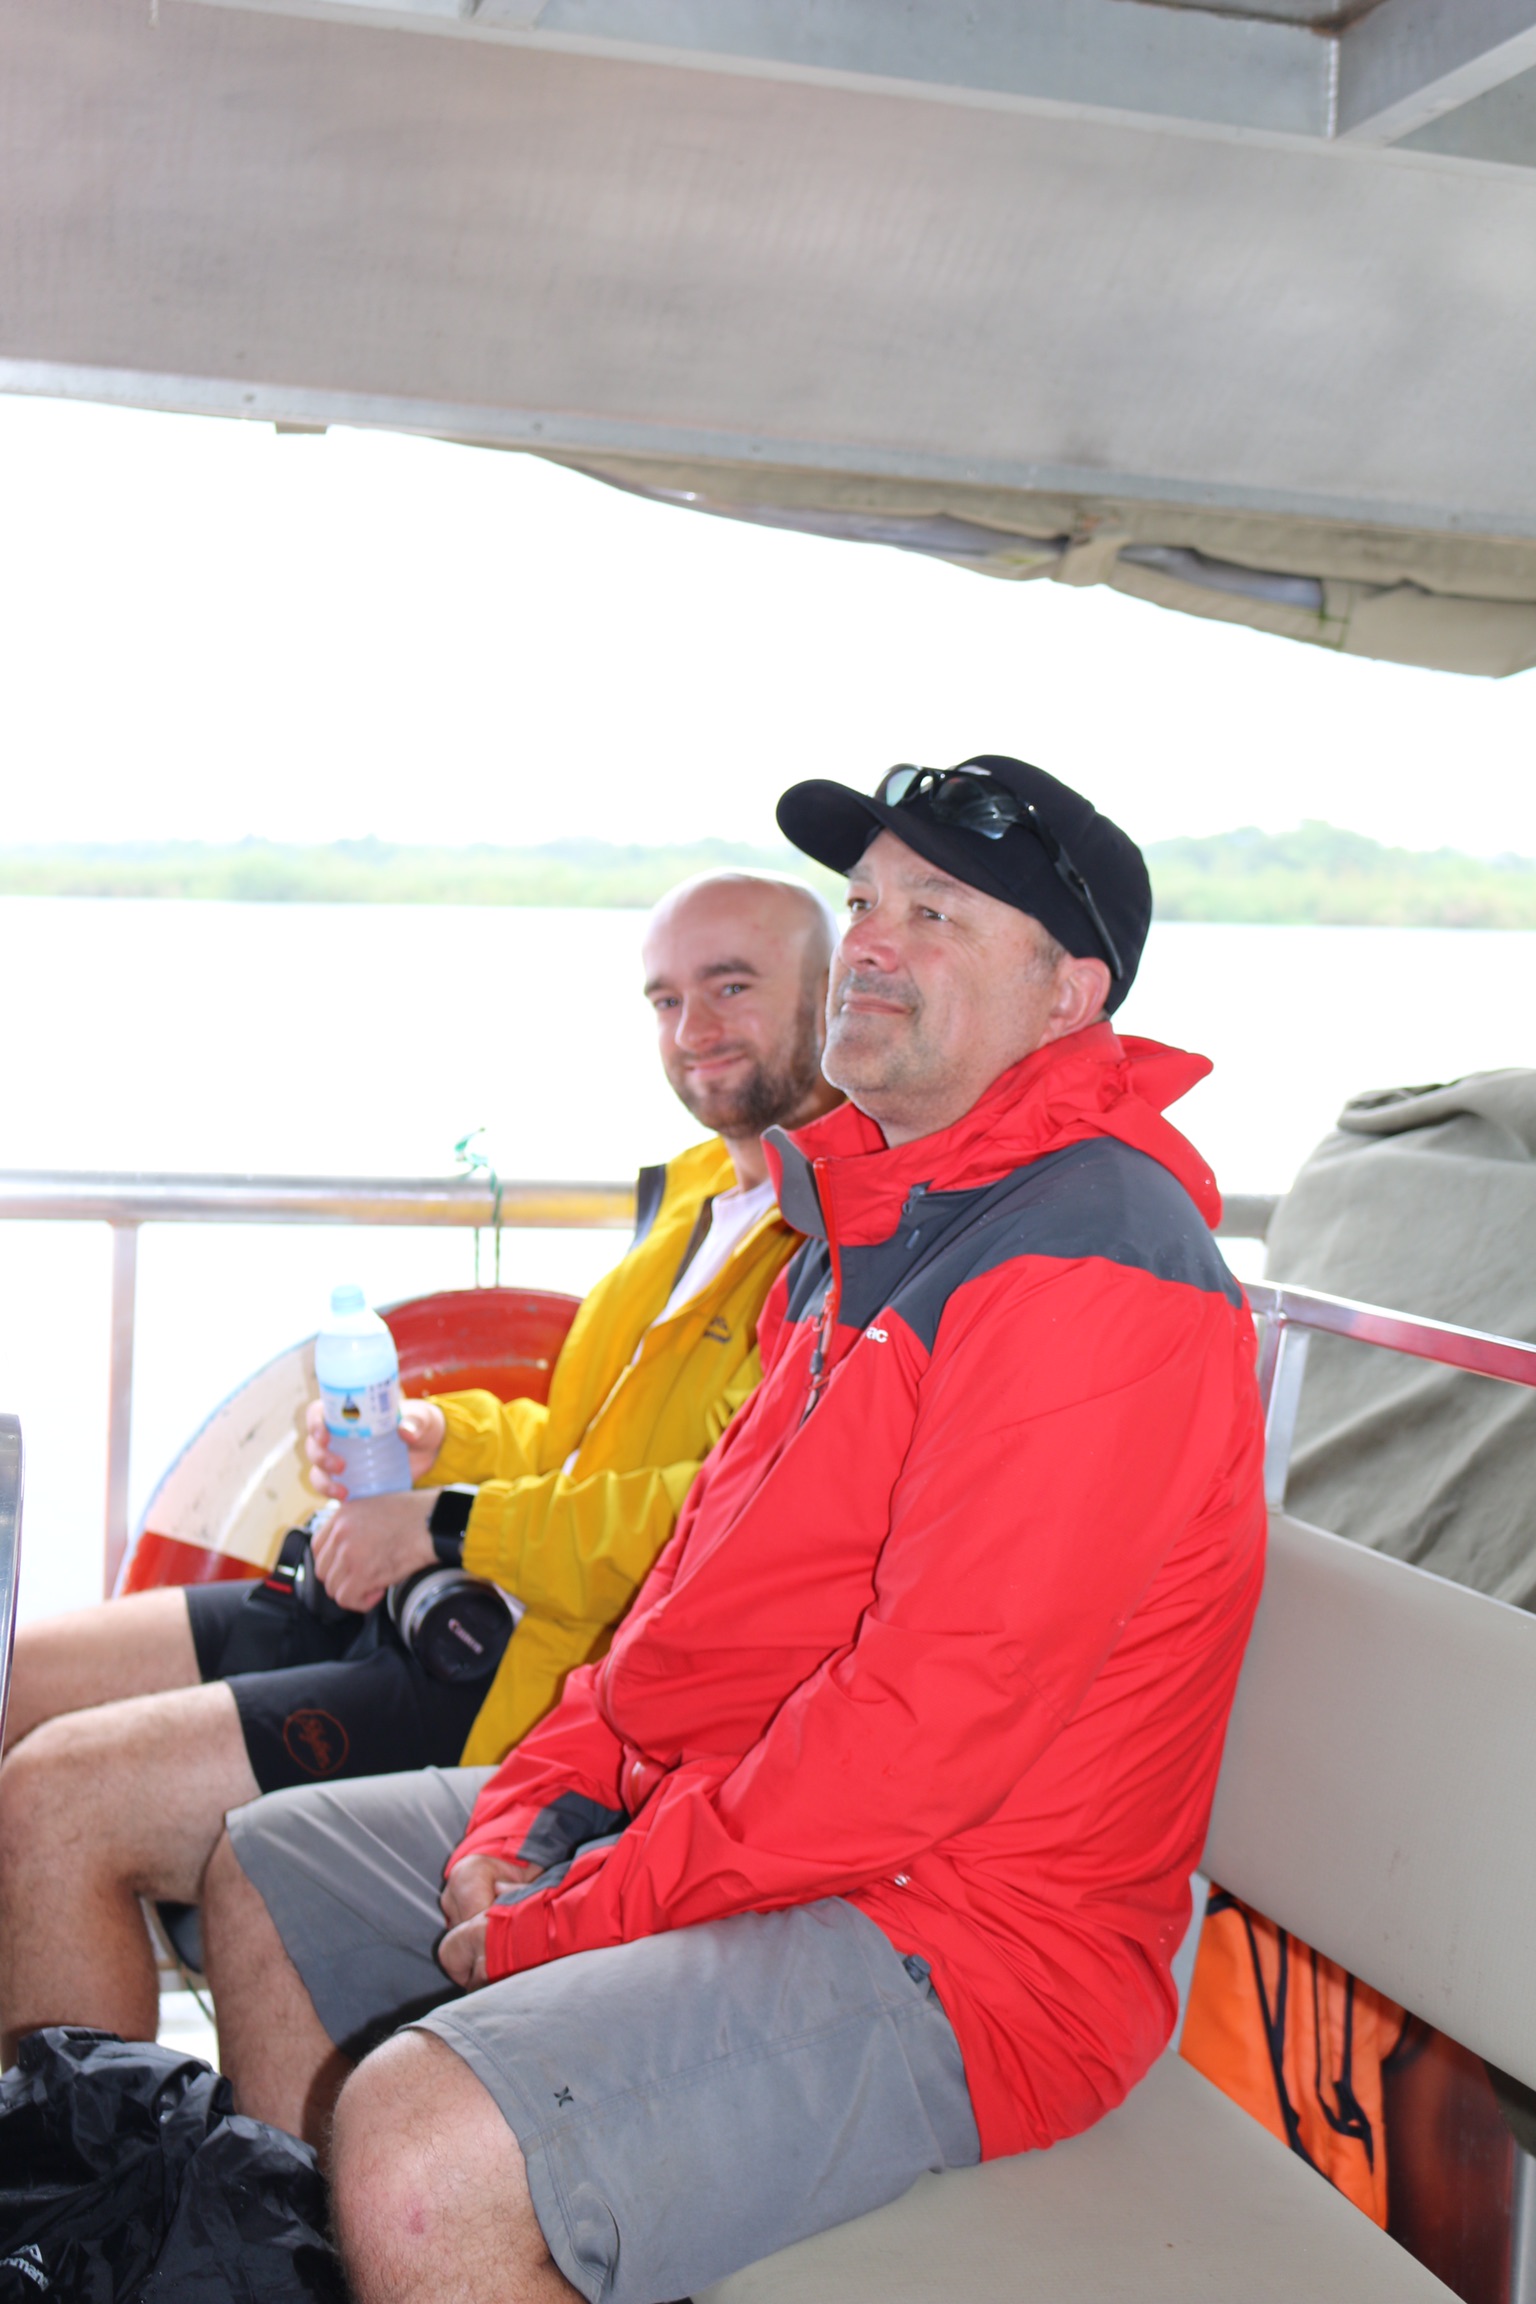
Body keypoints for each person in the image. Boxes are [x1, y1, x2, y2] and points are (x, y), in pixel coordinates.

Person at [200, 754, 1269, 2304]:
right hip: (763, 1828)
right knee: (269, 1878)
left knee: (418, 2155)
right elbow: (687, 1613)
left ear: (1069, 995)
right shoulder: (866, 1236)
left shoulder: (1092, 1264)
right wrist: (533, 1812)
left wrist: (580, 1910)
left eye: (938, 912)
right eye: (866, 902)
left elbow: (925, 1733)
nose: (874, 941)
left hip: (975, 1947)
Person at [0, 869, 840, 2063]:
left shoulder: (840, 1244)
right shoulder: (704, 1193)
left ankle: (86, 2175)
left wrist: (449, 1525)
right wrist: (442, 1441)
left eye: (732, 986)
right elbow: (579, 1444)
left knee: (55, 1798)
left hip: (523, 1679)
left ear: (830, 995)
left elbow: (722, 1523)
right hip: (429, 1597)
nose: (690, 1028)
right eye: (663, 999)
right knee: (16, 1677)